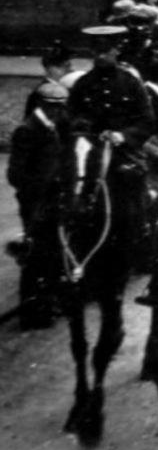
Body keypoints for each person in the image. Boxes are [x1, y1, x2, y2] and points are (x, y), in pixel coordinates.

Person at [68, 25, 155, 268]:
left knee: (131, 207)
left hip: (123, 155)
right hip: (89, 156)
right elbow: (72, 117)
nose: (102, 55)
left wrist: (123, 136)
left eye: (107, 50)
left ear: (117, 50)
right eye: (97, 50)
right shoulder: (83, 85)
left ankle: (137, 249)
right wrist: (85, 129)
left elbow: (147, 121)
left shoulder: (131, 83)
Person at [7, 81, 69, 330]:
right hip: (36, 203)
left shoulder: (53, 126)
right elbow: (15, 174)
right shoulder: (28, 129)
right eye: (54, 106)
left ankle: (47, 304)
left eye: (61, 106)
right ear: (44, 104)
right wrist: (41, 188)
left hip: (52, 200)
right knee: (35, 257)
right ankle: (33, 313)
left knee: (52, 253)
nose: (59, 111)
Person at [24, 42, 73, 118]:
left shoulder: (72, 88)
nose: (68, 70)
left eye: (68, 66)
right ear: (49, 68)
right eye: (60, 66)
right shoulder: (40, 94)